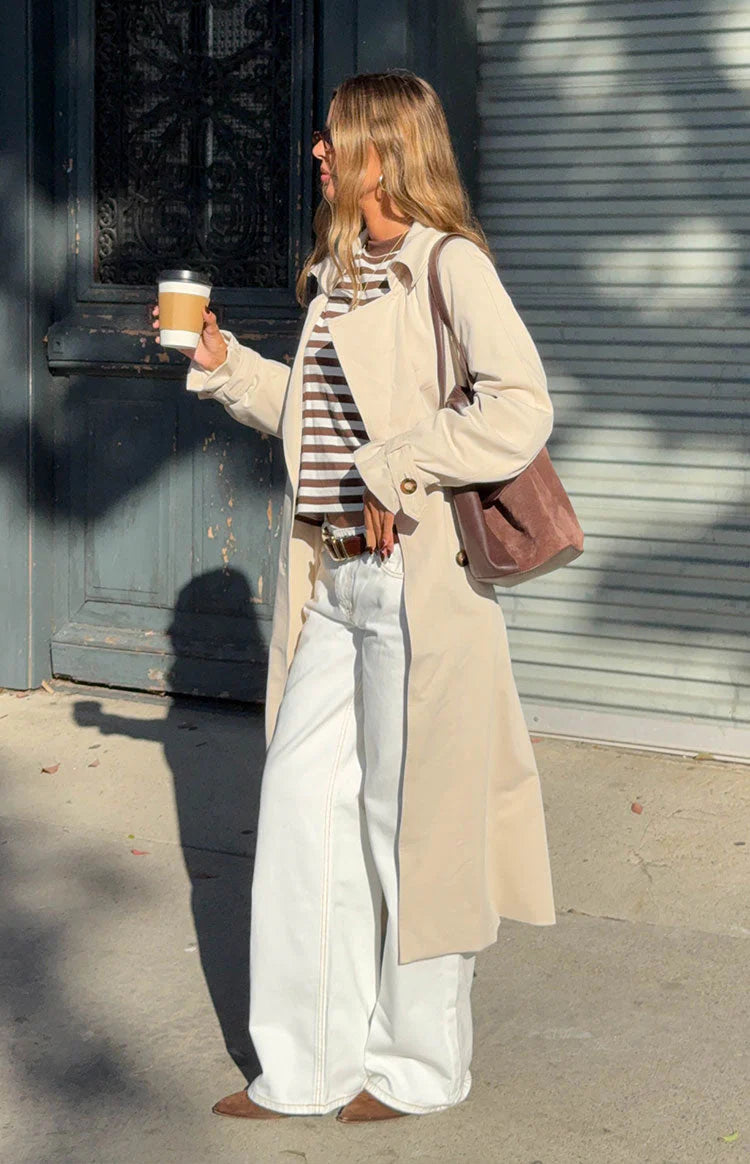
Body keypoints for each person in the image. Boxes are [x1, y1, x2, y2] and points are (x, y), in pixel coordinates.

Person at [151, 69, 557, 1124]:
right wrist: (225, 362)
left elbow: (519, 408)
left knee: (409, 826)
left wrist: (397, 468)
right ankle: (307, 1066)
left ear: (385, 152)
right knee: (302, 816)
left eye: (335, 138)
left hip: (419, 588)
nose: (318, 152)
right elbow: (318, 418)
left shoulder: (447, 265)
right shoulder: (339, 275)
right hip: (330, 581)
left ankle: (418, 1068)